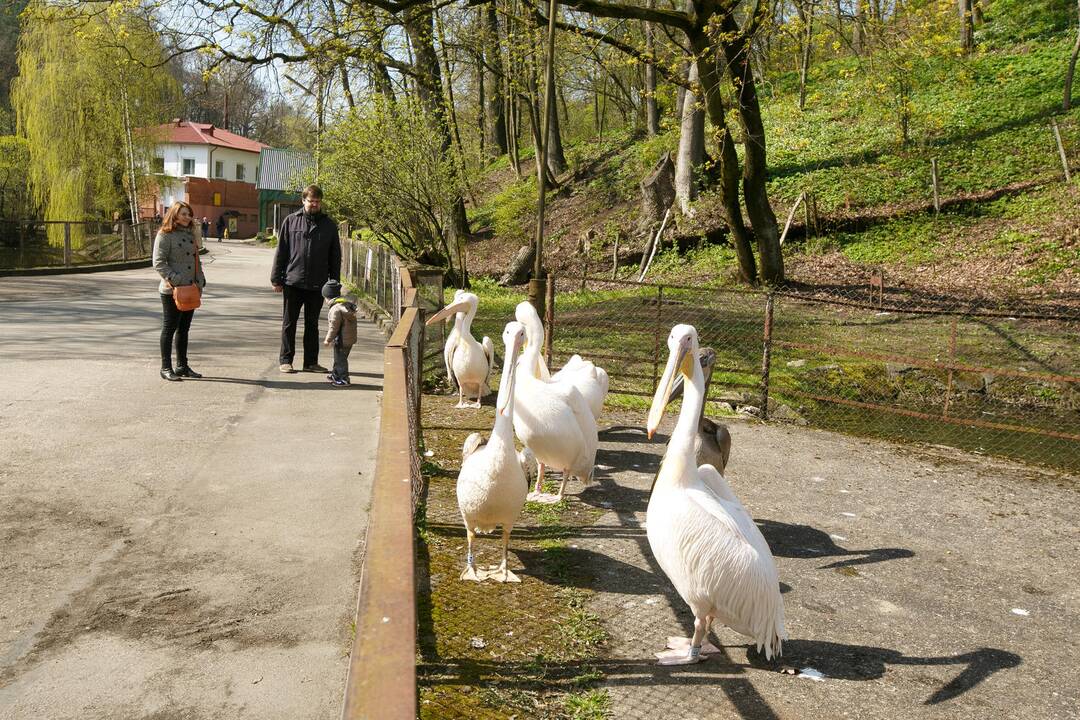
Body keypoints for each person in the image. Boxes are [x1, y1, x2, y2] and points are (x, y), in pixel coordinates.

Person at [270, 184, 341, 374]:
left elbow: (335, 257)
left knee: (312, 324)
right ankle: (286, 360)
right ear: (303, 201)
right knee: (289, 323)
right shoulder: (291, 221)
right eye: (311, 201)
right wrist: (276, 279)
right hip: (293, 282)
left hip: (318, 283)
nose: (314, 204)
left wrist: (334, 286)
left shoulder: (329, 225)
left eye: (317, 201)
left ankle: (310, 362)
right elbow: (281, 252)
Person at [152, 200, 206, 382]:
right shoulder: (165, 235)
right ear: (174, 214)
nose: (187, 217)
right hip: (172, 290)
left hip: (191, 288)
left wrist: (200, 281)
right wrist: (175, 279)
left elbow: (197, 258)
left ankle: (182, 365)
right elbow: (159, 263)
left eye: (189, 214)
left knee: (184, 328)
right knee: (170, 327)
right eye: (183, 214)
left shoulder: (190, 234)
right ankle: (165, 367)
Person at [321, 279, 357, 386]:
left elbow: (334, 327)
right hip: (348, 339)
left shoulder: (335, 310)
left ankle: (343, 378)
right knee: (339, 357)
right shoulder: (345, 305)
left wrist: (328, 339)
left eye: (325, 298)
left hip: (341, 339)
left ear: (329, 297)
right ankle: (335, 374)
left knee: (340, 359)